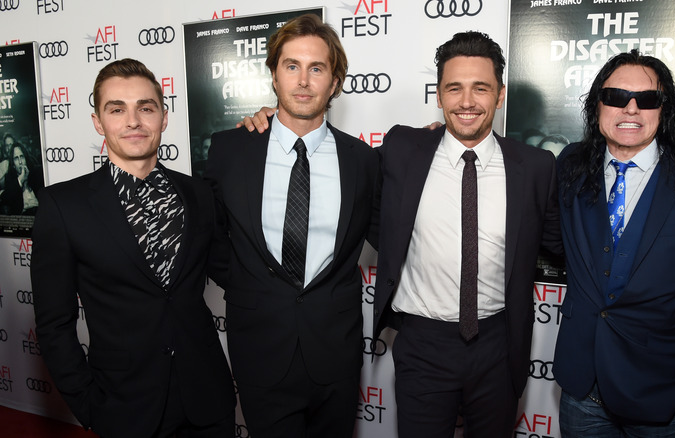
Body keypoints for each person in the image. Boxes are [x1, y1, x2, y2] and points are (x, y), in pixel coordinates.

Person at [31, 58, 236, 438]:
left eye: (145, 107)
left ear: (163, 116)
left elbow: (235, 275)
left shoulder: (199, 194)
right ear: (98, 122)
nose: (133, 121)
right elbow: (53, 324)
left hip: (208, 399)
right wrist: (88, 404)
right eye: (116, 109)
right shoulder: (63, 206)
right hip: (124, 409)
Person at [372, 31, 562, 437]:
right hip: (423, 344)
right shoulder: (404, 148)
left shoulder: (536, 166)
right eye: (454, 88)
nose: (467, 101)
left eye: (481, 88)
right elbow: (345, 181)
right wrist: (276, 123)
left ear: (500, 95)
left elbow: (565, 243)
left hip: (498, 343)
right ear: (438, 95)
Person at [554, 49, 675, 438]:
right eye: (615, 97)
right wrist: (437, 144)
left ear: (665, 110)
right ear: (597, 105)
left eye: (647, 99)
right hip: (581, 391)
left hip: (666, 395)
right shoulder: (570, 165)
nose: (631, 109)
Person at [205, 14, 380, 438]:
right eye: (292, 66)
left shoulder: (363, 160)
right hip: (260, 346)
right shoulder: (230, 149)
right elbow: (212, 240)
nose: (303, 81)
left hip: (334, 353)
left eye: (317, 68)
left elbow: (389, 230)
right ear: (273, 75)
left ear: (335, 82)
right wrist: (254, 286)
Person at [0, 144, 44, 215]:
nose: (20, 162)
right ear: (13, 165)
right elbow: (5, 198)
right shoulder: (10, 178)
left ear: (26, 159)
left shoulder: (37, 172)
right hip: (23, 218)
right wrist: (20, 180)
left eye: (22, 157)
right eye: (16, 158)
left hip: (40, 214)